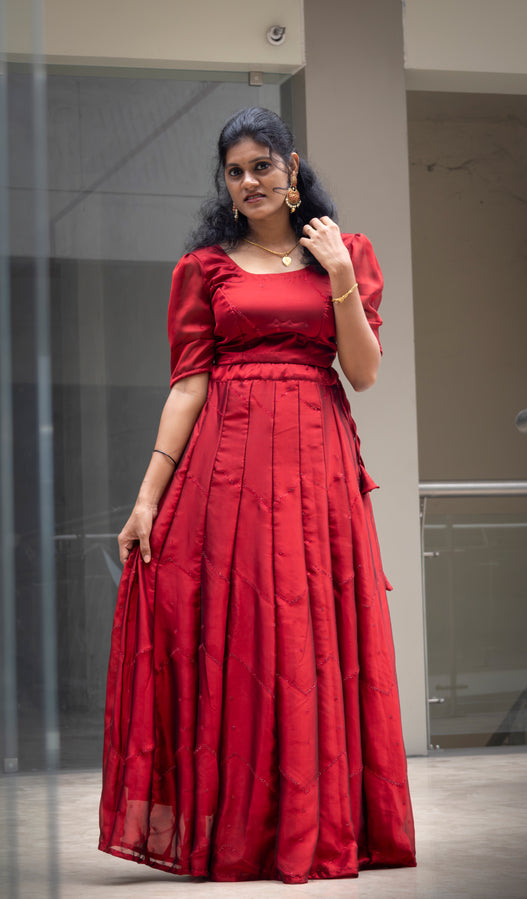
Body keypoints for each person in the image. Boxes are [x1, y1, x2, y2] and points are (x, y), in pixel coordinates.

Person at [98, 106, 416, 884]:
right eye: (235, 171)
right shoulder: (205, 269)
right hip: (228, 468)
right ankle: (243, 830)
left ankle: (323, 822)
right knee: (238, 638)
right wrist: (146, 497)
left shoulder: (347, 255)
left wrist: (338, 276)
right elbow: (188, 384)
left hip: (318, 465)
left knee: (311, 636)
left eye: (262, 167)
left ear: (292, 167)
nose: (249, 183)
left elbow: (364, 373)